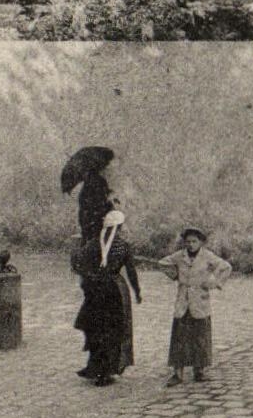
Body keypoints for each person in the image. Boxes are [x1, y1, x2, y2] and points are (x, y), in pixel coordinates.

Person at [71, 209, 141, 387]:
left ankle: (95, 367)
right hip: (115, 290)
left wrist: (90, 278)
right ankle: (107, 370)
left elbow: (78, 263)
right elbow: (131, 271)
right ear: (119, 227)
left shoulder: (93, 243)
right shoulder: (123, 246)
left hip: (96, 291)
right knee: (113, 329)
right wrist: (137, 291)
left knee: (97, 329)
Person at [157, 226, 232, 386]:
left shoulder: (207, 256)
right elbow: (162, 263)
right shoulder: (179, 256)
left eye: (194, 241)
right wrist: (175, 275)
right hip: (183, 302)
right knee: (180, 337)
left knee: (200, 337)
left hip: (200, 301)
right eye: (188, 242)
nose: (190, 244)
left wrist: (214, 282)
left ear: (201, 242)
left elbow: (225, 267)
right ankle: (177, 373)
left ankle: (200, 371)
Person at [78, 166, 113, 242]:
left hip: (91, 215)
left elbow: (83, 200)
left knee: (90, 235)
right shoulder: (99, 181)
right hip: (94, 215)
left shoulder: (88, 183)